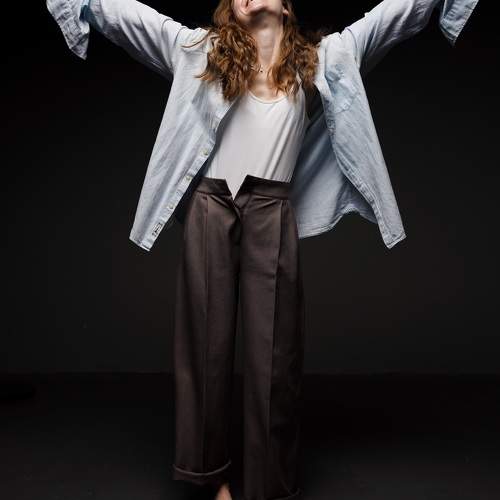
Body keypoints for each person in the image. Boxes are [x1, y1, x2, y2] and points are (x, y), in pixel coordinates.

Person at [45, 1, 480, 499]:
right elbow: (129, 18)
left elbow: (392, 17)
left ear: (287, 8)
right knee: (204, 349)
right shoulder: (199, 51)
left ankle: (267, 485)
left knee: (275, 353)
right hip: (211, 206)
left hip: (271, 210)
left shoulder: (322, 61)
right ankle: (210, 479)